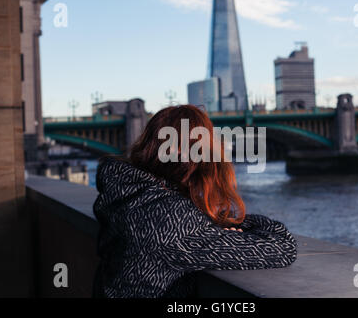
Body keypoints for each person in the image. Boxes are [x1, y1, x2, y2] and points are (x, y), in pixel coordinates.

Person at [92, 105, 297, 298]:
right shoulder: (171, 222)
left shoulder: (127, 196)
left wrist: (207, 224)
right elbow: (283, 247)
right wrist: (234, 223)